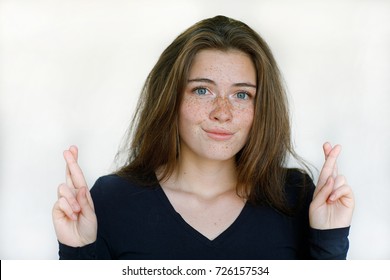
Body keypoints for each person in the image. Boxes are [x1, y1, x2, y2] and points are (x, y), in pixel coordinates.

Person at [52, 15, 354, 259]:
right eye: (202, 90)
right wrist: (78, 252)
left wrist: (330, 240)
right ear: (170, 99)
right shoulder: (112, 199)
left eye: (241, 94)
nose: (222, 112)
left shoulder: (295, 195)